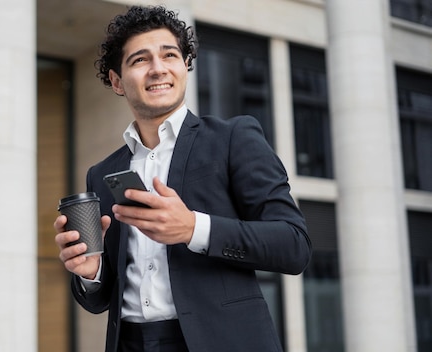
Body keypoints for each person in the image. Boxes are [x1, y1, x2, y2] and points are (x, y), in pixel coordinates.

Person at [54, 5, 312, 352]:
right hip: (130, 343)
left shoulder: (234, 138)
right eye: (140, 60)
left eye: (170, 55)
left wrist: (192, 228)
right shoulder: (101, 173)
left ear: (185, 65)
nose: (158, 68)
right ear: (117, 81)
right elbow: (100, 300)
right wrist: (91, 273)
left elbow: (293, 245)